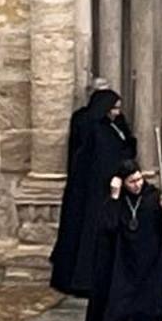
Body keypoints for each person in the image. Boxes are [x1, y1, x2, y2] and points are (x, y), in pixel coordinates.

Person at [76, 159, 162, 321]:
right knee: (130, 316)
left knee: (150, 315)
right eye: (132, 182)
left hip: (151, 267)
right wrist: (114, 195)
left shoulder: (153, 197)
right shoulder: (118, 203)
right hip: (126, 269)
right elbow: (107, 227)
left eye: (139, 179)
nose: (137, 185)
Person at [50, 87, 133, 296]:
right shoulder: (91, 126)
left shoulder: (112, 126)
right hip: (93, 190)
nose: (117, 112)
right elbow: (96, 158)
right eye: (113, 108)